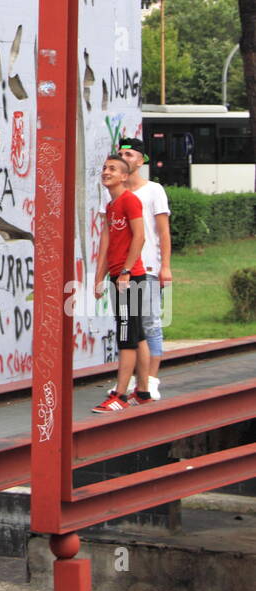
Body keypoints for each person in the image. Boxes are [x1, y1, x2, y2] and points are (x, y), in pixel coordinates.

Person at [91, 154, 152, 413]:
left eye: (113, 169)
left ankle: (120, 395)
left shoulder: (130, 201)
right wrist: (99, 277)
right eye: (105, 168)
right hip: (119, 276)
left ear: (124, 176)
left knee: (126, 336)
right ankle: (144, 391)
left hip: (130, 278)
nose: (106, 172)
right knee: (136, 335)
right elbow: (107, 244)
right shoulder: (112, 205)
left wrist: (126, 271)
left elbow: (140, 237)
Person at [118, 136, 172, 400]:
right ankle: (135, 382)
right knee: (131, 324)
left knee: (150, 322)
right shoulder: (116, 192)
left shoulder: (153, 190)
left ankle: (151, 380)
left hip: (148, 267)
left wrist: (166, 267)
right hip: (124, 270)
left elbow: (163, 232)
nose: (124, 159)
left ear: (140, 161)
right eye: (120, 155)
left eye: (129, 156)